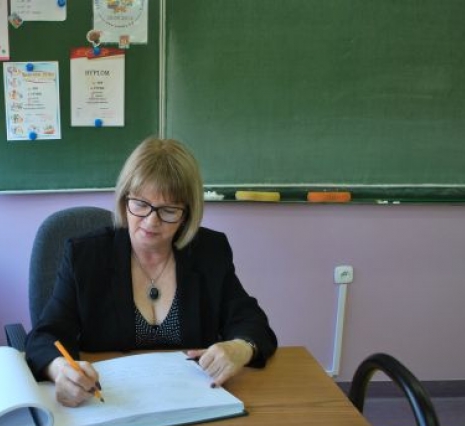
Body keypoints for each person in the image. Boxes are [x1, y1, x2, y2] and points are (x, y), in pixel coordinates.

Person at [25, 137, 277, 407]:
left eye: (168, 210)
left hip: (191, 403)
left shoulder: (209, 252)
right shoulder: (85, 256)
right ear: (124, 200)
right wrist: (60, 370)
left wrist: (240, 348)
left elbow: (253, 323)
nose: (151, 221)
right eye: (141, 204)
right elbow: (45, 336)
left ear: (187, 214)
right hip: (113, 403)